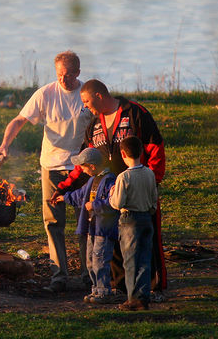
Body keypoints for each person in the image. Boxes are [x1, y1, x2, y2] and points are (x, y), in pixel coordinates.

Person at [51, 79, 167, 297]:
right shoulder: (94, 125)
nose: (85, 105)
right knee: (114, 244)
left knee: (145, 239)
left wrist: (152, 181)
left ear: (99, 96)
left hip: (139, 192)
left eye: (86, 100)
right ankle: (122, 288)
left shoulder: (136, 113)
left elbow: (155, 148)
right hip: (111, 197)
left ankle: (154, 288)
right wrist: (64, 188)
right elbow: (85, 163)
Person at [0, 50, 93, 292]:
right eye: (59, 75)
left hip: (83, 169)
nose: (63, 80)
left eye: (68, 76)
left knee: (86, 221)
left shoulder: (87, 94)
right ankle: (59, 278)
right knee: (53, 223)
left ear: (78, 73)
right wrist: (4, 145)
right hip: (52, 167)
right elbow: (19, 120)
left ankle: (90, 275)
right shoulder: (46, 93)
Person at [53, 147, 118, 304]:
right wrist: (64, 197)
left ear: (93, 166)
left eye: (83, 166)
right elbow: (79, 195)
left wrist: (94, 205)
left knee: (100, 260)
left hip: (103, 229)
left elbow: (113, 202)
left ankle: (104, 291)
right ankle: (95, 289)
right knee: (90, 260)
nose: (81, 170)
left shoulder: (110, 180)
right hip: (91, 228)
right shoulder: (91, 180)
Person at [109, 136, 158, 311]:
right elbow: (154, 199)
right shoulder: (149, 173)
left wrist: (112, 193)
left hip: (129, 220)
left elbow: (118, 203)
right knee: (145, 260)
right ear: (141, 152)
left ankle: (132, 299)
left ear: (123, 154)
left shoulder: (124, 177)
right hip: (146, 218)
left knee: (130, 261)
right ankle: (143, 297)